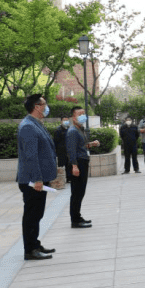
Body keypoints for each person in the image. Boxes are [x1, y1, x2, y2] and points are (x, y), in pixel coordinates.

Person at [17, 94, 58, 260]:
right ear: (37, 106)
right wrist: (37, 179)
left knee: (37, 214)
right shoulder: (28, 126)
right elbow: (31, 156)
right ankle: (30, 250)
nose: (46, 107)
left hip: (37, 178)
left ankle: (35, 243)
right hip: (33, 180)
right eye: (44, 104)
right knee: (32, 215)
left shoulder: (35, 123)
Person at [66, 106, 99, 229]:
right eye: (79, 114)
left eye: (83, 114)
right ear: (73, 118)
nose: (82, 116)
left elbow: (81, 146)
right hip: (78, 163)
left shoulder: (80, 129)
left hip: (83, 161)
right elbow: (71, 151)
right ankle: (75, 220)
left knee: (80, 192)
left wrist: (91, 144)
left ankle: (78, 216)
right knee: (77, 193)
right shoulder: (73, 131)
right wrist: (74, 166)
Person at [53, 114, 71, 185]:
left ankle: (69, 178)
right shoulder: (58, 130)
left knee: (69, 165)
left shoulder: (70, 129)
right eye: (64, 120)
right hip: (61, 152)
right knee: (62, 165)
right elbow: (55, 142)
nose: (66, 122)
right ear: (61, 121)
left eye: (67, 120)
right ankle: (62, 179)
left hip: (68, 151)